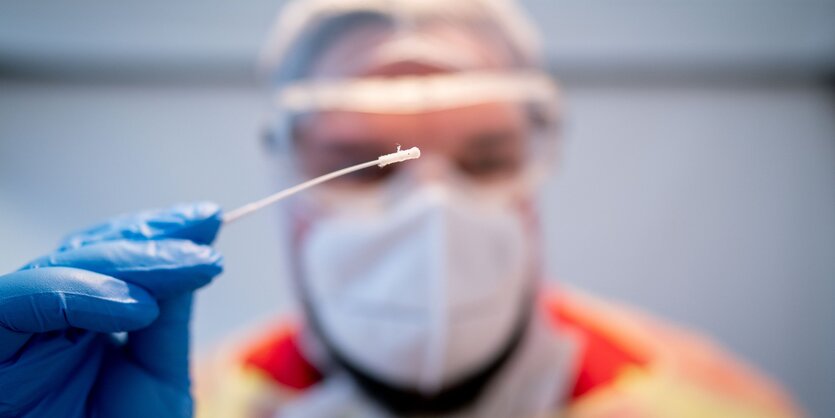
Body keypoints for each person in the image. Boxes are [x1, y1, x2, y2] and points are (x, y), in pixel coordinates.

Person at [0, 0, 802, 417]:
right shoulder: (186, 404)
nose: (432, 210)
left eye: (484, 158)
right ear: (287, 174)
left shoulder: (708, 403)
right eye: (356, 163)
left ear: (537, 163)